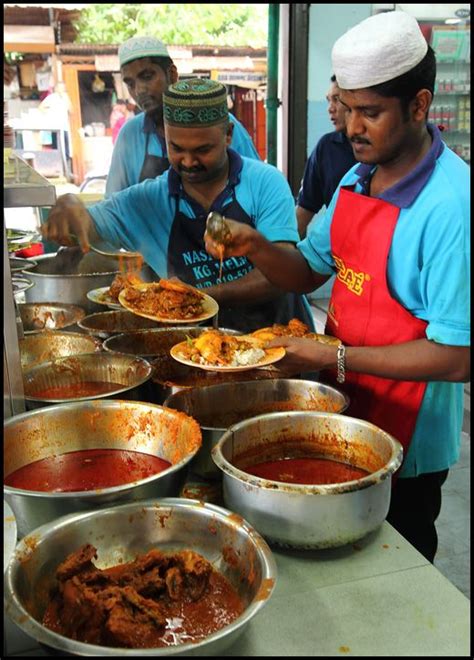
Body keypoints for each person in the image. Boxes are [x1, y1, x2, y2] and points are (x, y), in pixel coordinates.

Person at [204, 11, 470, 562]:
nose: (351, 128)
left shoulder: (453, 207)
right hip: (346, 402)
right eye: (347, 109)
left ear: (419, 106)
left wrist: (335, 353)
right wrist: (254, 244)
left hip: (409, 432)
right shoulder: (357, 178)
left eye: (370, 113)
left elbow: (456, 355)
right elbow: (308, 268)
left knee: (396, 555)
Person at [42, 78, 313, 334]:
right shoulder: (148, 201)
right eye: (177, 148)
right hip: (195, 351)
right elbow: (89, 222)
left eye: (202, 150)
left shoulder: (265, 183)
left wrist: (200, 298)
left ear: (228, 135)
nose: (188, 161)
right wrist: (69, 203)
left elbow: (279, 277)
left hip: (279, 342)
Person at [105, 36, 260, 197]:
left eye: (147, 76)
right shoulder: (129, 136)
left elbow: (256, 190)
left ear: (172, 74)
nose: (139, 90)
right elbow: (113, 203)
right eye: (130, 83)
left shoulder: (218, 123)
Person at [296, 75, 357, 239]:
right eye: (329, 100)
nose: (330, 108)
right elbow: (304, 209)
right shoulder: (326, 148)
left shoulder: (381, 150)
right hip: (337, 252)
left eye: (337, 99)